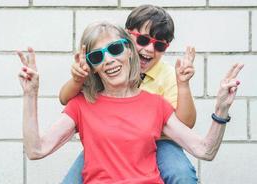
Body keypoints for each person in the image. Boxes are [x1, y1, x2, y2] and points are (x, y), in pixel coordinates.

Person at [17, 22, 243, 184]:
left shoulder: (156, 105)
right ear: (92, 67)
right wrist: (30, 94)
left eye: (115, 49)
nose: (108, 60)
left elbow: (205, 150)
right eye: (97, 56)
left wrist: (221, 108)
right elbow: (36, 150)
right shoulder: (81, 104)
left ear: (129, 51)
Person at [60, 5, 197, 183]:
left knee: (182, 174)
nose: (149, 49)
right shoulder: (106, 64)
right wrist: (77, 80)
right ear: (126, 36)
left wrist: (184, 85)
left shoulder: (168, 75)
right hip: (111, 142)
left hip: (159, 141)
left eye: (160, 45)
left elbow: (186, 124)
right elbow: (65, 99)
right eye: (142, 40)